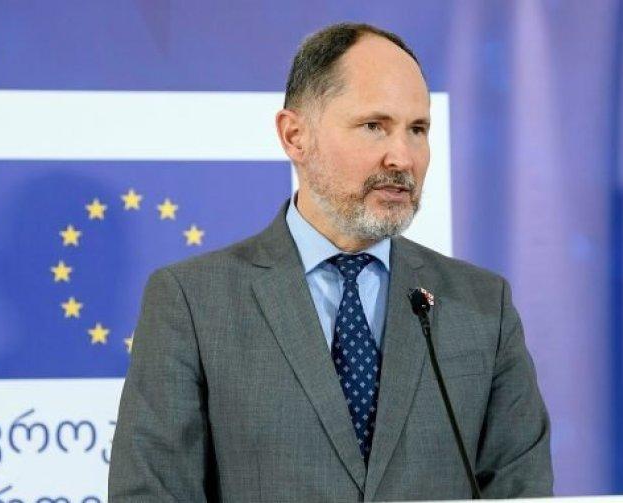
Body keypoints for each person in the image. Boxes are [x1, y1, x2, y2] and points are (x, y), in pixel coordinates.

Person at [109, 22, 552, 501]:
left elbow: (522, 489)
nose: (402, 158)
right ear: (295, 136)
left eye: (417, 130)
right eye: (374, 126)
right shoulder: (194, 303)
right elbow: (150, 492)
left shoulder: (483, 305)